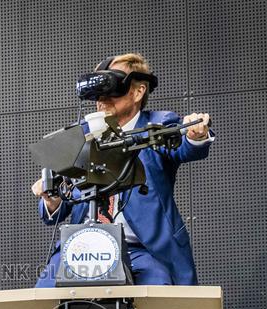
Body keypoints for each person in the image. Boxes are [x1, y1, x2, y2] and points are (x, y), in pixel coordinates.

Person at [32, 53, 214, 286]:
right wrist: (52, 200)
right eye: (97, 92)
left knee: (158, 297)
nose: (101, 99)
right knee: (43, 296)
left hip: (143, 249)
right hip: (82, 247)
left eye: (111, 88)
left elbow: (184, 147)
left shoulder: (158, 124)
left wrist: (195, 135)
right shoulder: (79, 135)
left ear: (138, 91)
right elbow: (57, 208)